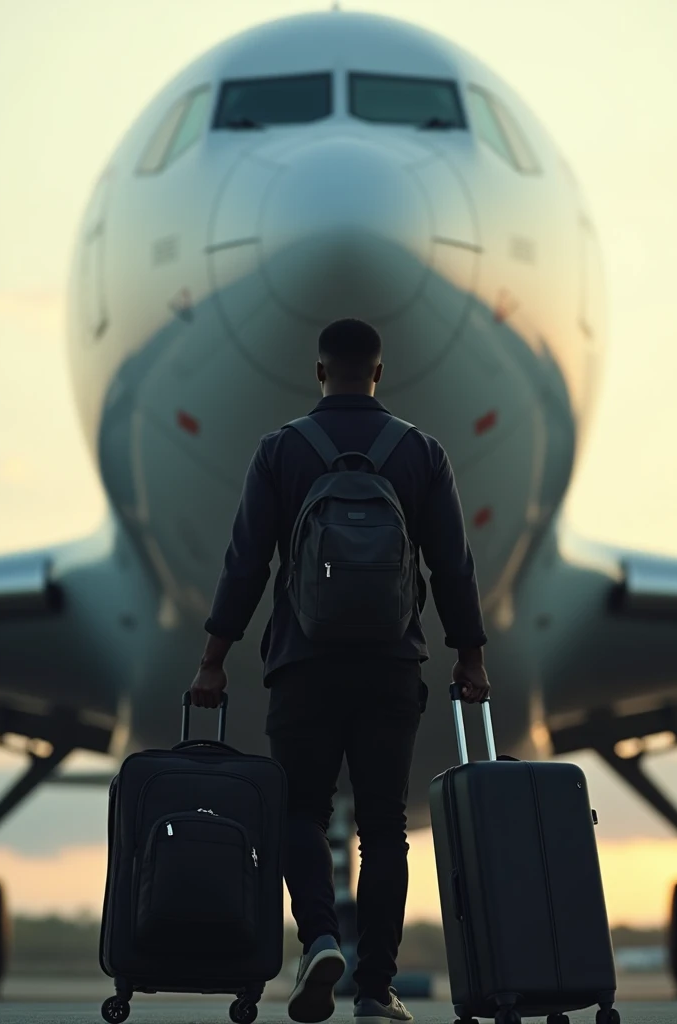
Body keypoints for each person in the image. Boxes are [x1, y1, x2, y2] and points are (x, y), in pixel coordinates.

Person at [191, 318, 489, 1024]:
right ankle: (376, 991)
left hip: (303, 665)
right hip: (391, 668)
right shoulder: (421, 452)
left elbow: (247, 563)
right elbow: (452, 565)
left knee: (300, 810)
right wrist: (470, 653)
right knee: (385, 827)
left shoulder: (280, 452)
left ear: (319, 373)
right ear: (379, 374)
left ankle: (320, 938)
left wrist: (214, 657)